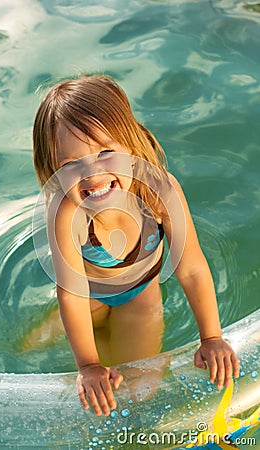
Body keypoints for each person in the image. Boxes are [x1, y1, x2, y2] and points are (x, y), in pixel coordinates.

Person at [32, 74, 239, 416]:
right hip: (89, 299)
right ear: (52, 170)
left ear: (132, 143)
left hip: (138, 299)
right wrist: (88, 366)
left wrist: (211, 338)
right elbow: (71, 293)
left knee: (137, 391)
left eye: (106, 152)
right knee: (37, 350)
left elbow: (191, 269)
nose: (92, 174)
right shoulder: (66, 212)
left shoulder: (160, 191)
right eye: (71, 165)